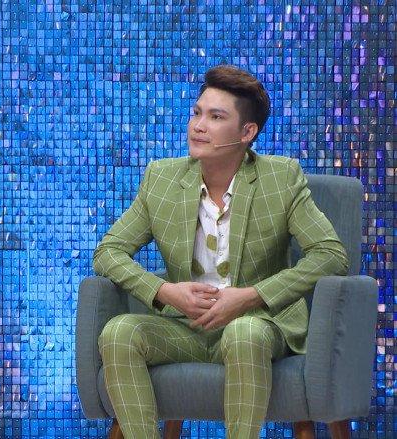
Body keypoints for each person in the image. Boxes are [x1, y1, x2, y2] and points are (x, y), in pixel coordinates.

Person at [93, 65, 349, 439]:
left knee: (243, 332)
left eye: (216, 117)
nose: (198, 126)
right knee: (118, 332)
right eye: (197, 113)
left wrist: (250, 297)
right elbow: (108, 251)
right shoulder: (161, 178)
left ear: (247, 132)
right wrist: (165, 291)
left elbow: (330, 254)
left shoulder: (280, 178)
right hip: (186, 328)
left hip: (258, 324)